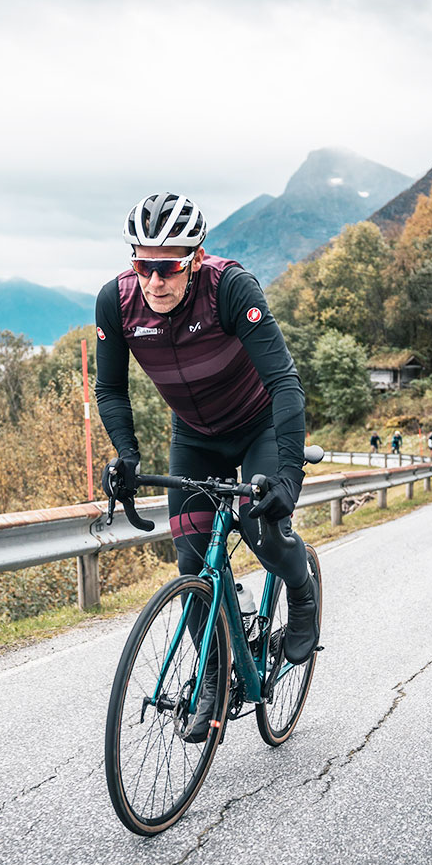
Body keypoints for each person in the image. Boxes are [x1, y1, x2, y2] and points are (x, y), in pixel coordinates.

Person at [95, 192, 318, 743]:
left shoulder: (231, 289)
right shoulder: (116, 304)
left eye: (167, 266)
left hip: (258, 424)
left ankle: (302, 589)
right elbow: (111, 389)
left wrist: (288, 475)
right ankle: (215, 673)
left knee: (261, 527)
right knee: (193, 561)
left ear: (194, 259)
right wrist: (126, 455)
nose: (154, 280)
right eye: (142, 264)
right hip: (193, 436)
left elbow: (286, 384)